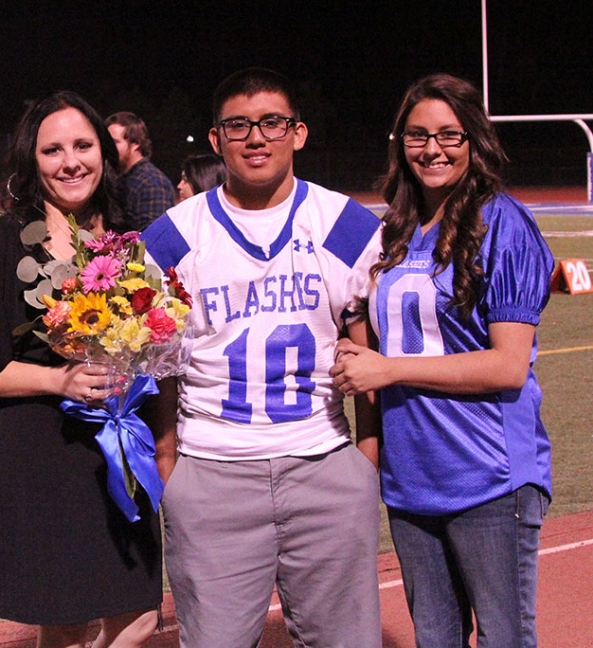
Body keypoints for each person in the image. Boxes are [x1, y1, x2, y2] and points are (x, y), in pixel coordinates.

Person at [141, 68, 383, 648]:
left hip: (323, 461)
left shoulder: (346, 224)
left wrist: (365, 463)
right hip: (212, 471)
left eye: (271, 122)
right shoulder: (173, 234)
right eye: (238, 125)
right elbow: (162, 368)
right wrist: (172, 471)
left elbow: (369, 350)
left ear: (297, 133)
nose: (256, 137)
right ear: (216, 137)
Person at [330, 73, 554, 648]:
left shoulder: (501, 222)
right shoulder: (397, 231)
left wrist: (390, 369)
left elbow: (507, 365)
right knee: (435, 638)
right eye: (417, 135)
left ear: (475, 140)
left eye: (449, 135)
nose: (433, 149)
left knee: (504, 639)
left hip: (488, 471)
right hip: (411, 476)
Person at [0, 92, 162, 648]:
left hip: (119, 450)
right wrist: (56, 379)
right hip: (43, 450)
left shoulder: (127, 240)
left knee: (139, 613)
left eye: (83, 145)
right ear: (31, 159)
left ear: (104, 152)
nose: (71, 161)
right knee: (64, 625)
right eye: (52, 150)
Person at [105, 111, 176, 231]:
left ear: (136, 143)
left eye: (114, 142)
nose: (108, 147)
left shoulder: (152, 182)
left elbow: (154, 239)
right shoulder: (120, 178)